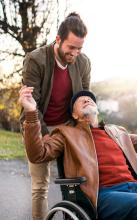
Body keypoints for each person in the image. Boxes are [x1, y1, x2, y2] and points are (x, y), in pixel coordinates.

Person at [19, 87, 137, 220]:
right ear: (74, 115)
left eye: (90, 99)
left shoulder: (116, 131)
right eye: (81, 100)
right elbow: (38, 155)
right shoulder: (66, 133)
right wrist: (31, 112)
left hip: (134, 187)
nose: (87, 99)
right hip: (100, 195)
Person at [19, 12, 91, 220]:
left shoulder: (83, 62)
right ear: (58, 40)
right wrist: (42, 134)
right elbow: (31, 105)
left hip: (67, 126)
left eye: (79, 48)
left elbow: (84, 97)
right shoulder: (36, 60)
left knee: (74, 183)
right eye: (71, 47)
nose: (75, 53)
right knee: (40, 185)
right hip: (37, 123)